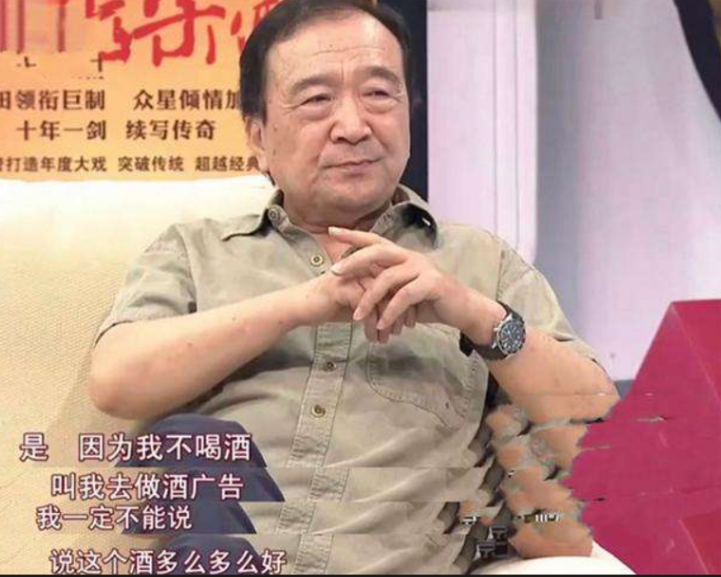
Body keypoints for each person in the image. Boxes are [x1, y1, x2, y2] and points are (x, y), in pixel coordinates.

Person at [89, 0, 623, 573]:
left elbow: (602, 439)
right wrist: (301, 306)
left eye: (379, 93)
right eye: (316, 100)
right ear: (258, 136)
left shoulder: (481, 264)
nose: (353, 126)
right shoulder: (196, 251)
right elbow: (117, 380)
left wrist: (474, 314)